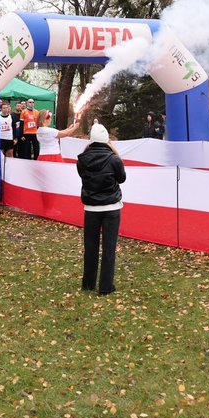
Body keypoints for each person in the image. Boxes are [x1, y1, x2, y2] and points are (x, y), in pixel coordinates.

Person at [77, 122, 126, 295]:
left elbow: (83, 175)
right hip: (111, 207)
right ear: (107, 140)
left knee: (90, 246)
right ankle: (105, 286)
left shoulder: (82, 159)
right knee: (109, 247)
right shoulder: (114, 159)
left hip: (91, 207)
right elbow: (122, 178)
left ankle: (89, 283)